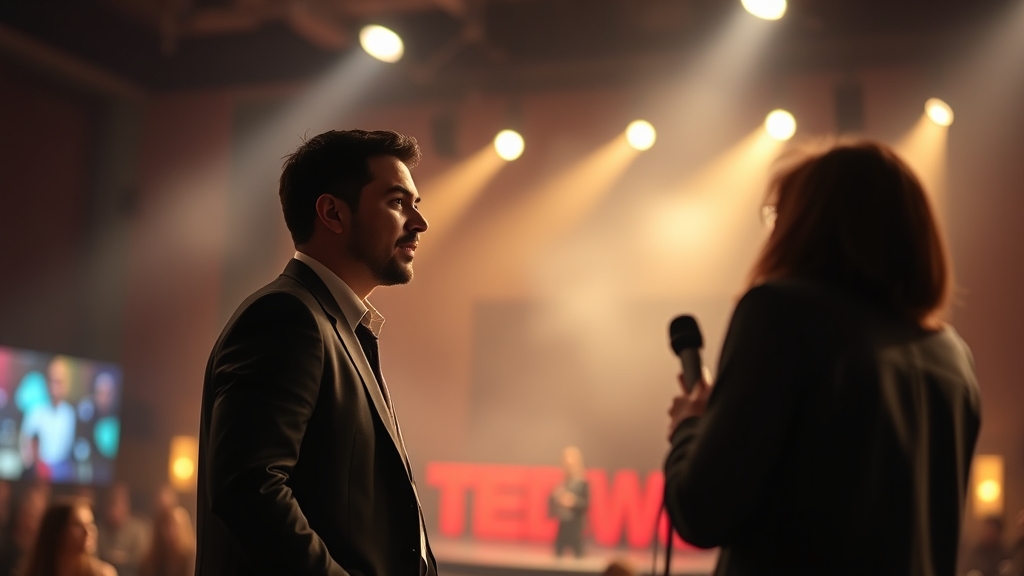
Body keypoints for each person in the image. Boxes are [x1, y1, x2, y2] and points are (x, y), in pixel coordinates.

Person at [663, 142, 981, 576]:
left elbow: (701, 511)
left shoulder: (779, 312)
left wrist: (691, 426)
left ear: (806, 224)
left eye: (778, 215)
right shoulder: (953, 358)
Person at [196, 130, 434, 575]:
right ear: (332, 213)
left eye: (415, 204)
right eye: (398, 202)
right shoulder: (286, 317)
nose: (419, 222)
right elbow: (249, 489)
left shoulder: (332, 325)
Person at [20, 498, 116, 576]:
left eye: (90, 524)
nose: (88, 532)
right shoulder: (36, 572)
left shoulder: (103, 574)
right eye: (78, 525)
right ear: (58, 532)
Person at [19, 357, 76, 482]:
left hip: (63, 475)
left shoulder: (70, 413)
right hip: (38, 474)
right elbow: (25, 443)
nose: (55, 387)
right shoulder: (35, 411)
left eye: (59, 382)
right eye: (52, 381)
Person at [97, 484, 148, 576]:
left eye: (121, 502)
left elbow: (142, 559)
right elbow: (96, 556)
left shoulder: (139, 529)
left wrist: (124, 560)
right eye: (113, 502)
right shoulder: (99, 530)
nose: (117, 507)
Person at [548, 446, 589, 558]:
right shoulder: (562, 484)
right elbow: (553, 505)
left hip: (576, 526)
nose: (568, 467)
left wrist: (573, 502)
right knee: (558, 554)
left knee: (578, 555)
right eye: (566, 463)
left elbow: (586, 504)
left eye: (571, 464)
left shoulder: (582, 483)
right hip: (563, 524)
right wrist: (557, 497)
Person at [139, 506, 194, 576]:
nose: (170, 531)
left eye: (174, 525)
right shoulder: (151, 559)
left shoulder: (191, 557)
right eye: (166, 526)